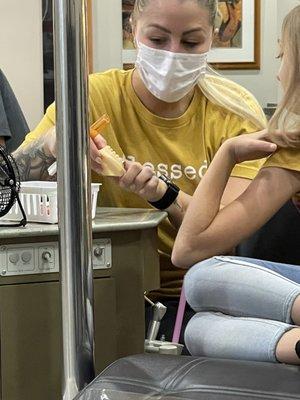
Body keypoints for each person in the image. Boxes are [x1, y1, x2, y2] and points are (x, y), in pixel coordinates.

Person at [11, 0, 296, 344]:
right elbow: (8, 183)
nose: (173, 55)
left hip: (193, 294)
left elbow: (209, 241)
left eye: (191, 43)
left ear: (212, 39)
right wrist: (50, 145)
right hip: (99, 283)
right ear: (132, 31)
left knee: (202, 294)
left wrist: (163, 192)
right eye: (158, 40)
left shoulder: (234, 112)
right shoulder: (88, 97)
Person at [172, 5, 300, 364]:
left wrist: (226, 156)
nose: (278, 74)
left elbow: (188, 250)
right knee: (198, 329)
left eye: (282, 56)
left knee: (202, 278)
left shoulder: (296, 148)